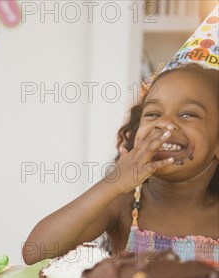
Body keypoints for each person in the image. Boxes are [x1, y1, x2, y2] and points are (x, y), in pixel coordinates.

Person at [23, 63, 218, 267]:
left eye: (188, 114)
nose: (164, 123)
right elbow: (35, 252)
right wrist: (114, 183)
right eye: (153, 113)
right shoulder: (123, 204)